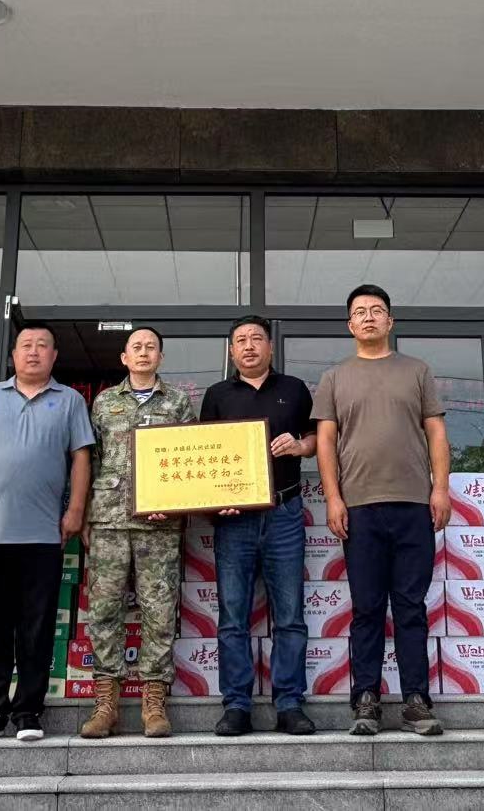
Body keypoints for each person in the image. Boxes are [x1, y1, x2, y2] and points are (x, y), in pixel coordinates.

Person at [312, 284, 451, 738]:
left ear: (390, 321)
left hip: (414, 505)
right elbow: (326, 443)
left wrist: (440, 488)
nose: (368, 317)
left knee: (410, 607)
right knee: (367, 608)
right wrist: (333, 498)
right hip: (359, 509)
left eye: (377, 310)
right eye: (360, 312)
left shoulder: (417, 371)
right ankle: (366, 699)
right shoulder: (334, 378)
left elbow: (436, 433)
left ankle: (416, 701)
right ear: (349, 325)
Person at [0, 320, 93, 744]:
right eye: (26, 345)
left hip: (44, 535)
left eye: (42, 345)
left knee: (37, 626)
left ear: (54, 356)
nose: (33, 351)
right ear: (13, 355)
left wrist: (76, 511)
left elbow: (81, 458)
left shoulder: (69, 401)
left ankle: (28, 711)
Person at [197, 315, 317, 737]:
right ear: (231, 351)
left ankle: (290, 703)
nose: (249, 346)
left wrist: (300, 446)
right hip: (235, 521)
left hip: (284, 513)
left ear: (270, 346)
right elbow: (203, 456)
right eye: (241, 340)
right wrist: (218, 500)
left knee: (290, 615)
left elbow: (316, 438)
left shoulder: (295, 389)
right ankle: (236, 705)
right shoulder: (217, 395)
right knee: (233, 616)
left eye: (256, 339)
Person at [80, 326, 197, 740]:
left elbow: (191, 458)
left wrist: (177, 503)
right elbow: (89, 460)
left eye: (151, 347)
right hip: (109, 520)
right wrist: (85, 514)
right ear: (124, 358)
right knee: (104, 610)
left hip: (159, 524)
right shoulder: (104, 402)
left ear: (160, 357)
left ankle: (154, 702)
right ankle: (105, 703)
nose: (144, 352)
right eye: (137, 347)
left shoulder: (178, 402)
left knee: (159, 611)